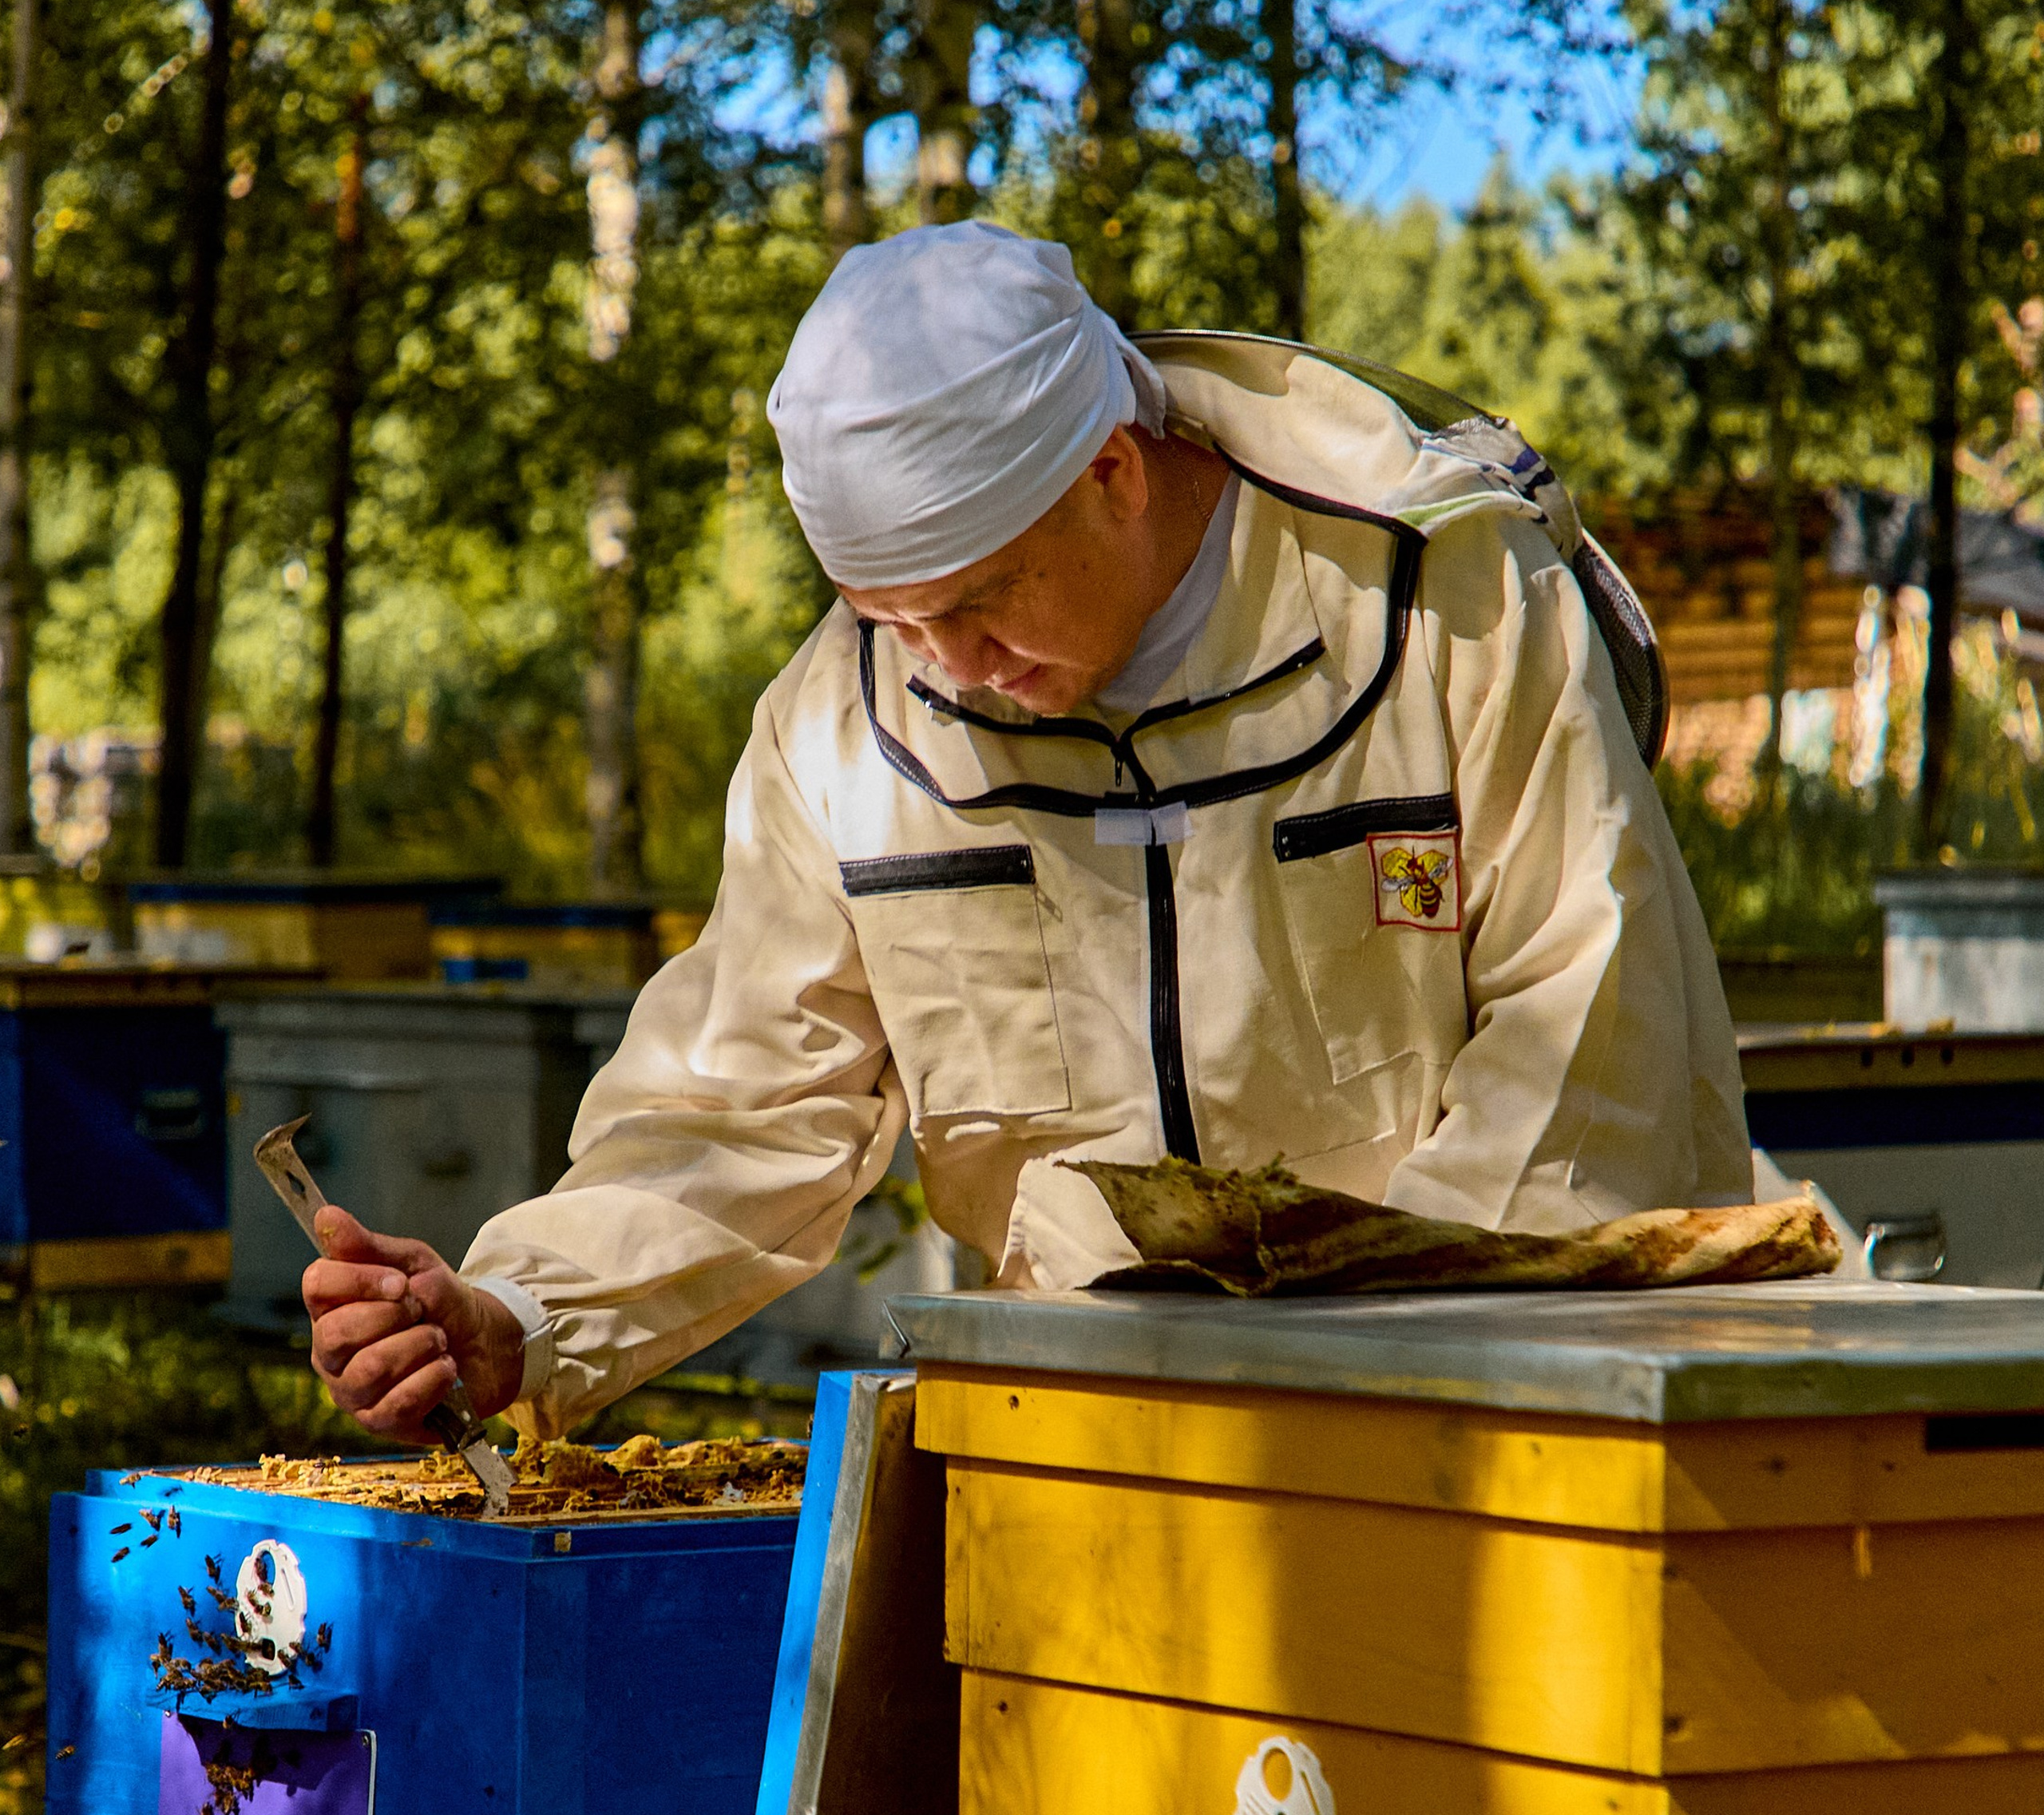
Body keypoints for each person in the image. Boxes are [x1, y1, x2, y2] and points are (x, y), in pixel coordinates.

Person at [305, 220, 1751, 1443]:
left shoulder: (1445, 599)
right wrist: (522, 1313)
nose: (944, 663)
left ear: (1113, 471)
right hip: (1071, 1447)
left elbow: (1592, 1036)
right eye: (894, 619)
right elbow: (742, 1101)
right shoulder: (839, 723)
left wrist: (1367, 1371)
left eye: (983, 599)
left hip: (1475, 1432)